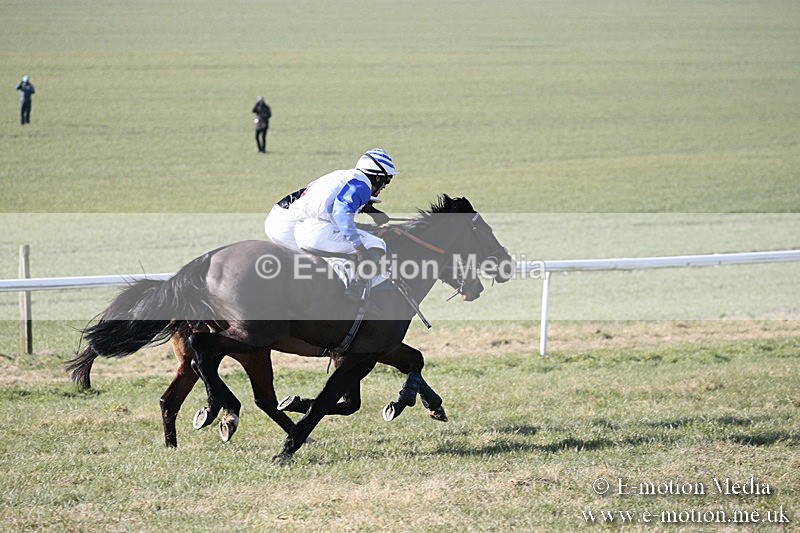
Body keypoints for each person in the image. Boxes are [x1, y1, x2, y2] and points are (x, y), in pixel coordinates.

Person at [264, 148, 398, 300]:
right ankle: (356, 290)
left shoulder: (344, 175)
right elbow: (340, 214)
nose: (386, 186)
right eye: (387, 180)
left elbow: (331, 202)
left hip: (276, 220)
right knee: (375, 244)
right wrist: (359, 246)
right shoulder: (363, 185)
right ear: (378, 178)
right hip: (298, 227)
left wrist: (369, 211)